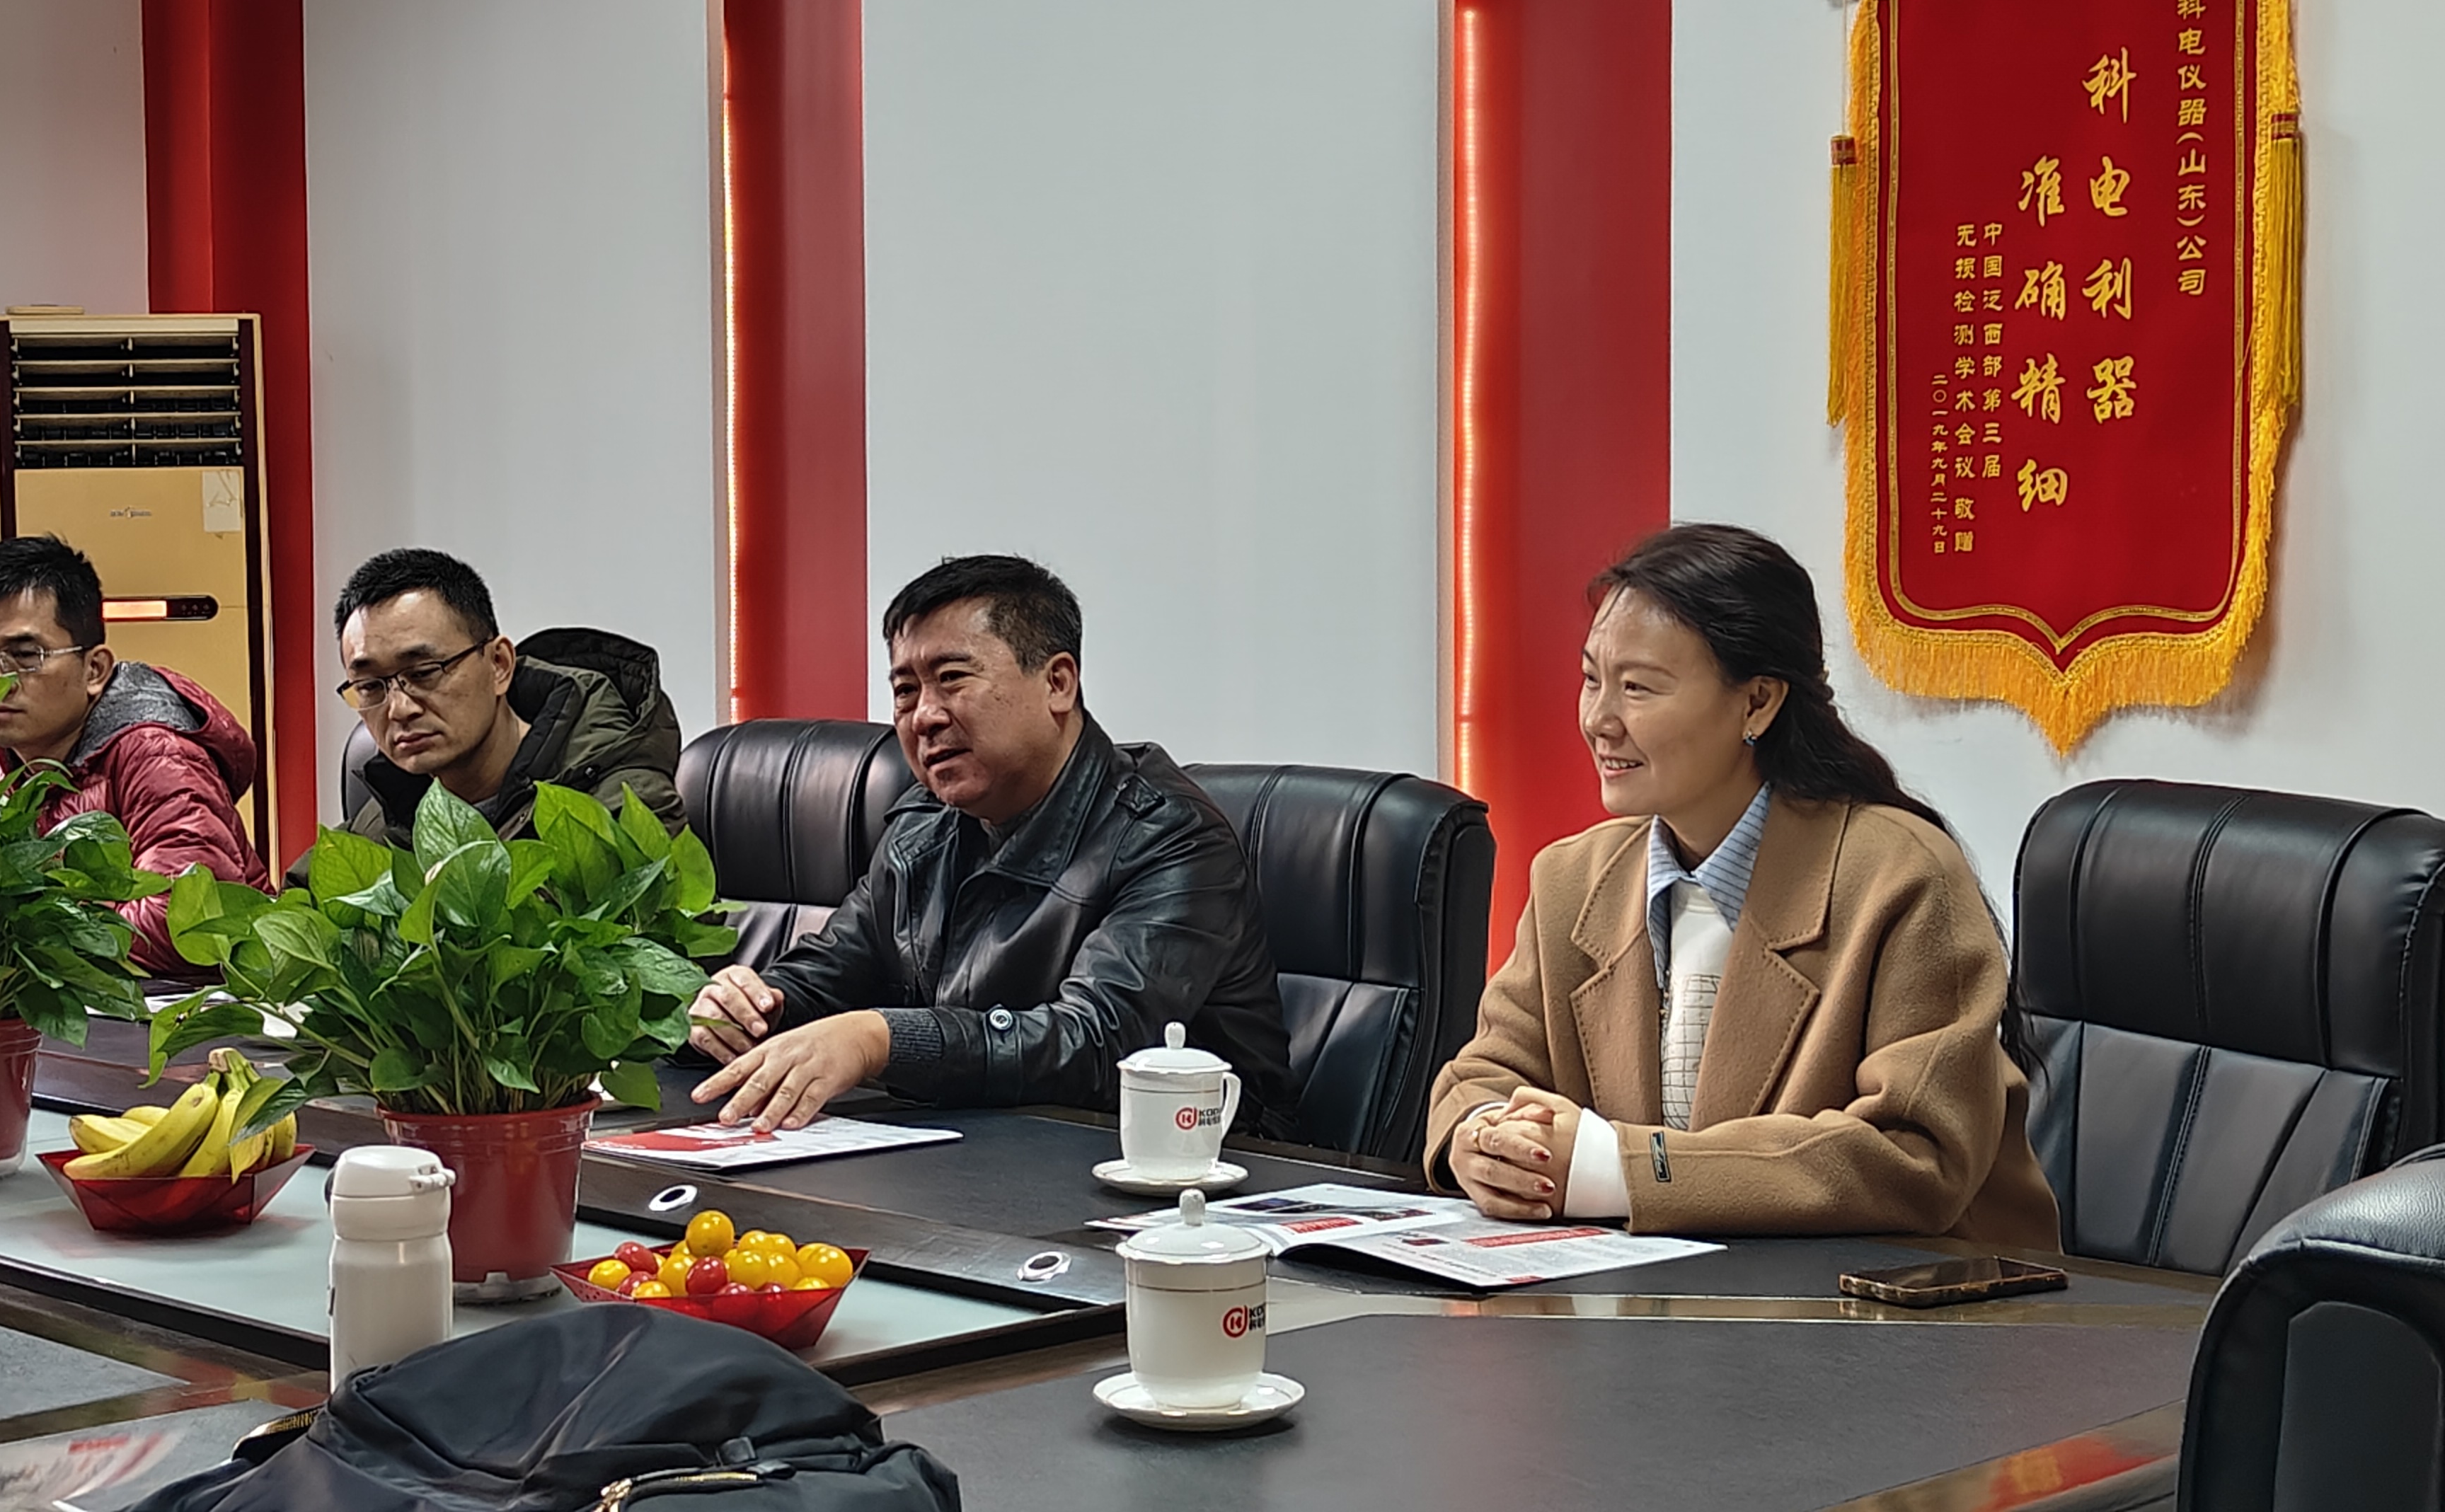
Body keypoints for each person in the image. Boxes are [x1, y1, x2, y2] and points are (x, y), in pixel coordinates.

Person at [1427, 524, 2058, 1245]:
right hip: (1661, 1296)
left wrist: (1618, 1169)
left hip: (1898, 1301)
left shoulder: (1903, 876)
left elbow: (1912, 1156)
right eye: (1591, 679)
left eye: (1638, 688)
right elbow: (1484, 1075)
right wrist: (1486, 1140)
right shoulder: (1573, 879)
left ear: (1757, 702)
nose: (1600, 720)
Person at [687, 555, 1299, 1137]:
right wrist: (757, 1006)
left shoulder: (1170, 837)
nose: (924, 716)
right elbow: (836, 970)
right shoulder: (924, 823)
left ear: (1058, 683)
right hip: (972, 1149)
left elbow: (1095, 1044)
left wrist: (882, 1040)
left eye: (952, 679)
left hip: (1185, 1167)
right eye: (905, 691)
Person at [0, 536, 269, 982]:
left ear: (95, 670)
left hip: (197, 1013)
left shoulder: (158, 754)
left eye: (25, 656)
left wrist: (13, 941)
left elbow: (185, 925)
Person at [324, 548, 684, 859]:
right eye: (369, 686)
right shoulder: (394, 804)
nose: (400, 709)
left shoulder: (622, 807)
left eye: (424, 673)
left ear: (499, 665)